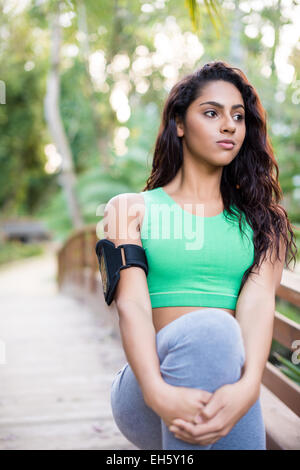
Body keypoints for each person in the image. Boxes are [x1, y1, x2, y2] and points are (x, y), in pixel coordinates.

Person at [104, 60, 298, 450]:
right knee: (212, 328)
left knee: (220, 334)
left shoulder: (266, 222)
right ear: (179, 123)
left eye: (238, 117)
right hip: (147, 388)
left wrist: (247, 389)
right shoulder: (130, 209)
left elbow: (258, 307)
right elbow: (133, 306)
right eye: (211, 113)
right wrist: (157, 391)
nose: (229, 125)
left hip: (232, 390)